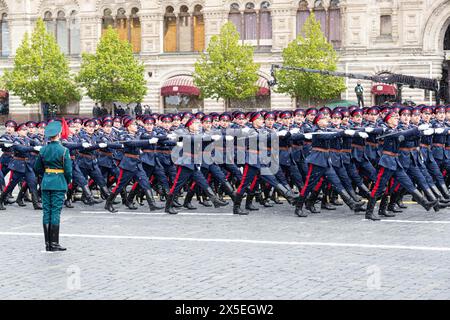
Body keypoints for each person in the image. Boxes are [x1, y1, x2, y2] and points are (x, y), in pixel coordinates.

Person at [34, 121, 72, 252]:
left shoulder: (43, 149)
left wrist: (46, 175)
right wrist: (67, 181)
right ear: (59, 134)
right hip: (59, 182)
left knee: (46, 212)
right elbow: (68, 171)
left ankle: (47, 244)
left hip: (46, 182)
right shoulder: (64, 150)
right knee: (55, 212)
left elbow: (37, 168)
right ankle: (54, 243)